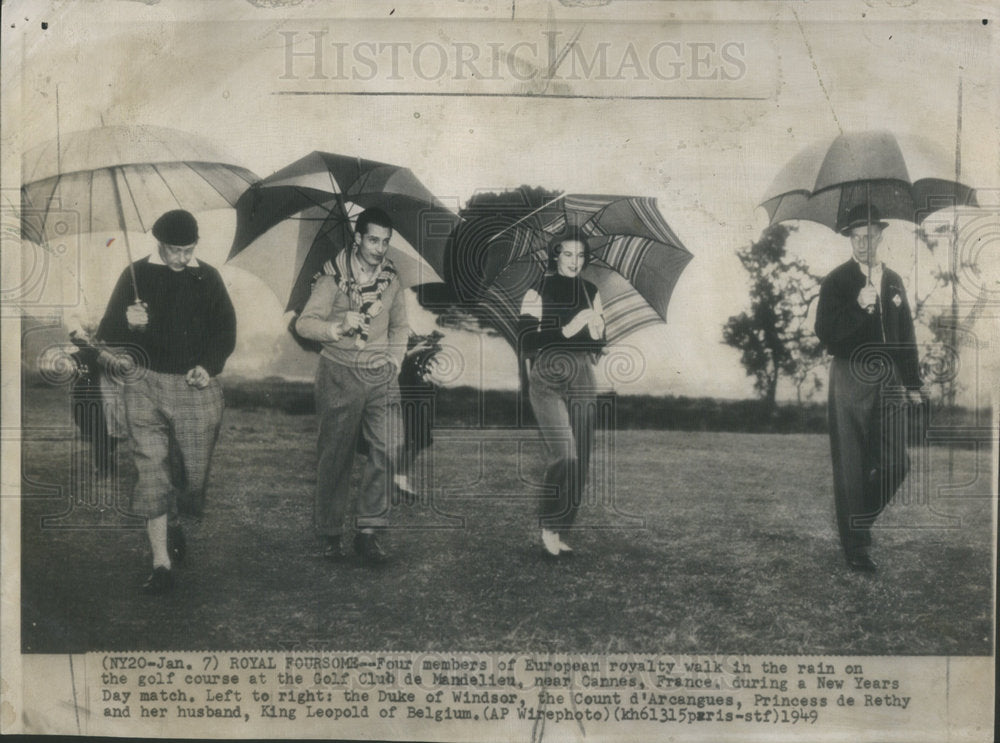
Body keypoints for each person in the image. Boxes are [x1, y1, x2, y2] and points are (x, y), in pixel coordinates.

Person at [98, 209, 236, 594]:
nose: (182, 259)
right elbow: (108, 334)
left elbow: (225, 329)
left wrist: (208, 367)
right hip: (143, 383)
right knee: (151, 470)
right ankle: (161, 563)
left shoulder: (207, 277)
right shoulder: (135, 276)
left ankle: (174, 516)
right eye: (175, 251)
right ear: (160, 244)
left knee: (192, 474)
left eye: (189, 250)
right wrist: (130, 322)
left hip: (194, 385)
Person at [815, 205, 925, 573]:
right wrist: (859, 309)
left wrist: (912, 382)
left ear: (880, 236)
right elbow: (826, 333)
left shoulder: (893, 280)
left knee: (897, 463)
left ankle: (856, 520)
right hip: (850, 372)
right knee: (852, 464)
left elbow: (905, 333)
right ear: (850, 238)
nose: (863, 243)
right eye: (856, 236)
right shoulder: (837, 281)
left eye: (869, 236)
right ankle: (856, 547)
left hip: (889, 376)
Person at [296, 207, 409, 565]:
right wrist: (337, 326)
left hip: (381, 375)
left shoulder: (392, 279)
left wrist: (395, 359)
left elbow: (400, 327)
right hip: (339, 371)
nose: (380, 248)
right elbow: (304, 324)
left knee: (390, 447)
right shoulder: (332, 277)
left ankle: (369, 533)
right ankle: (330, 533)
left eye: (386, 241)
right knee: (336, 455)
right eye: (373, 239)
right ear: (358, 238)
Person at [518, 230, 605, 558]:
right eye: (568, 255)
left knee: (580, 458)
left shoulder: (591, 290)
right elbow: (527, 341)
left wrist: (597, 332)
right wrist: (573, 325)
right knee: (565, 453)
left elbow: (597, 344)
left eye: (580, 256)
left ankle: (561, 528)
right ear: (555, 255)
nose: (575, 262)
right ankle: (549, 524)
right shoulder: (537, 289)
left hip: (582, 373)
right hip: (548, 374)